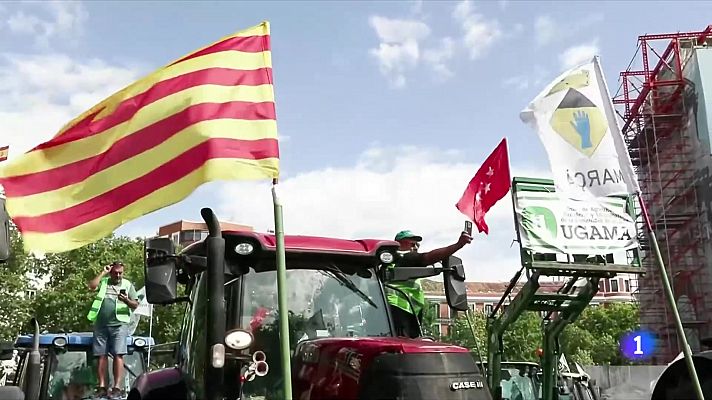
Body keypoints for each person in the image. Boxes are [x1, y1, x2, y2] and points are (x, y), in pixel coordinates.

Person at [387, 230, 472, 338]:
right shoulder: (405, 259)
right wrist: (458, 245)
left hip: (406, 310)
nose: (416, 247)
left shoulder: (389, 262)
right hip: (400, 309)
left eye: (417, 244)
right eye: (412, 244)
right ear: (399, 244)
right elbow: (429, 257)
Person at [86, 261, 139, 399]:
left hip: (119, 324)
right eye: (115, 273)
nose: (118, 275)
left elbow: (135, 304)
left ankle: (116, 387)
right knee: (101, 355)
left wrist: (127, 300)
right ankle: (102, 387)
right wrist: (103, 272)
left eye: (120, 273)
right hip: (101, 324)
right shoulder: (104, 282)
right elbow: (91, 286)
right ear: (111, 272)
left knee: (118, 354)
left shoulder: (127, 285)